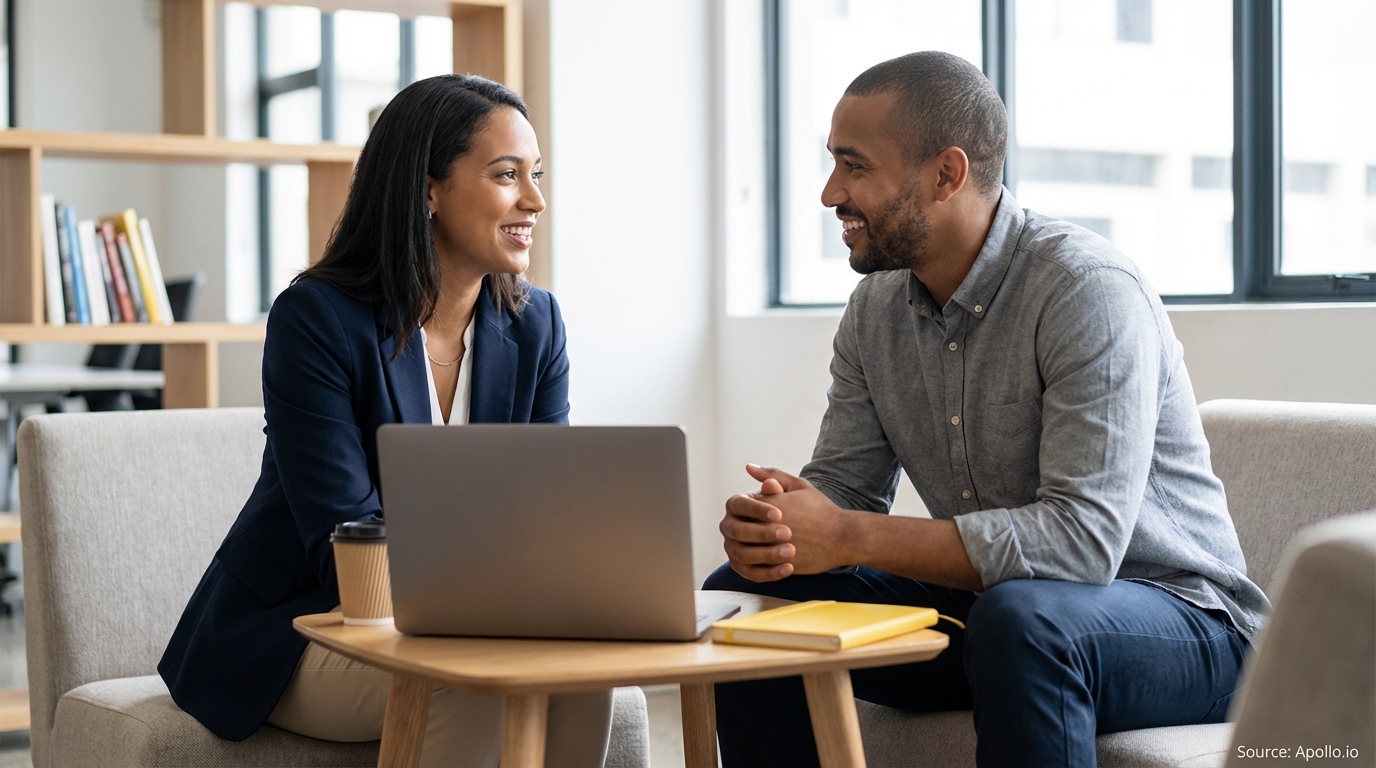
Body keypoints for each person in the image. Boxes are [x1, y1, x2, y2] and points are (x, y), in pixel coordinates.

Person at [706, 51, 1269, 767]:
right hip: (1000, 612)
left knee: (1023, 620)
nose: (829, 194)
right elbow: (845, 492)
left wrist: (846, 535)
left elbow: (1079, 545)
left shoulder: (1084, 290)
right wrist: (781, 528)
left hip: (1184, 624)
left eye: (855, 167)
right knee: (750, 595)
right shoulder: (875, 310)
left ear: (947, 173)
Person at [159, 75, 615, 767]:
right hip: (306, 630)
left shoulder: (535, 325)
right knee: (468, 679)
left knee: (583, 674)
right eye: (506, 175)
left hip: (465, 624)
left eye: (537, 174)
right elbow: (346, 542)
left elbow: (543, 514)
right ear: (427, 188)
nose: (535, 199)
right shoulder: (315, 319)